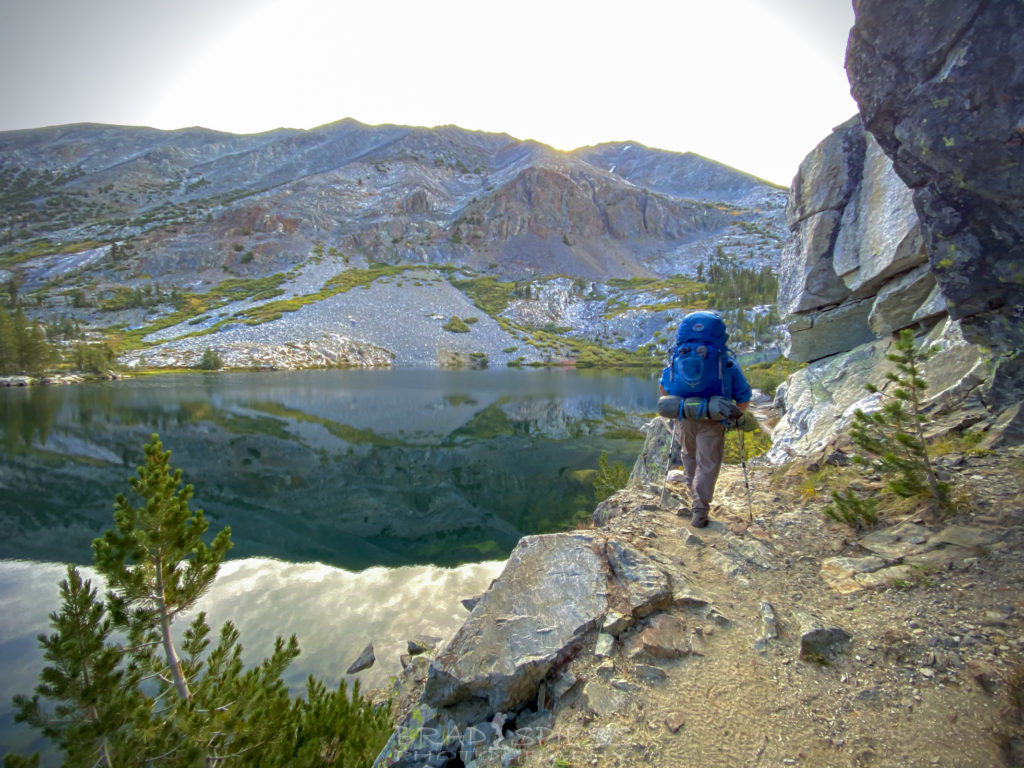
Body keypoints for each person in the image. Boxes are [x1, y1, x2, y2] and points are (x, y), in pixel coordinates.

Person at [658, 313, 751, 528]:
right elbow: (744, 396)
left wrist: (680, 405)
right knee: (708, 462)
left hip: (684, 416)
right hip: (714, 418)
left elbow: (664, 386)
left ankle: (695, 499)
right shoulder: (725, 361)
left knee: (689, 456)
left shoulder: (678, 357)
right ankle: (700, 508)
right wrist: (732, 415)